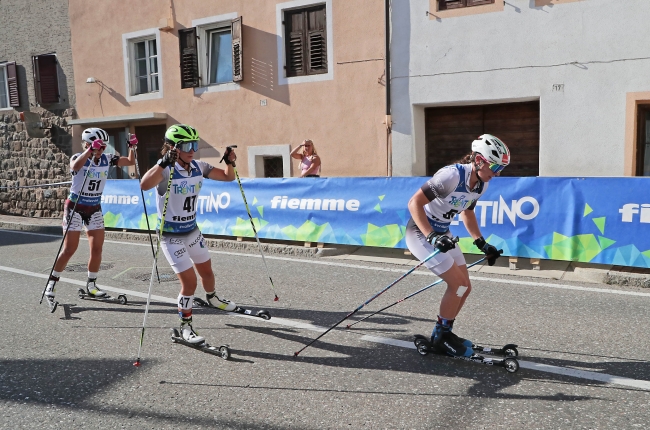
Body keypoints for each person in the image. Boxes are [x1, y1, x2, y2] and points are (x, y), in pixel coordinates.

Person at [405, 134, 510, 357]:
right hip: (420, 232)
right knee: (457, 285)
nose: (497, 173)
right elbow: (414, 203)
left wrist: (481, 243)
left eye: (501, 168)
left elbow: (468, 212)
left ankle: (443, 332)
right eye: (494, 166)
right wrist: (431, 235)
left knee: (465, 287)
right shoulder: (451, 176)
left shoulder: (481, 184)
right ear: (479, 160)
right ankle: (441, 336)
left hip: (443, 232)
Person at [139, 124, 238, 344]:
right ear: (173, 147)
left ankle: (212, 298)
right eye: (187, 145)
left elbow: (228, 177)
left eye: (195, 144)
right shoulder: (165, 169)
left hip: (192, 231)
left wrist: (230, 162)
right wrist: (163, 162)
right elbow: (144, 185)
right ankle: (185, 327)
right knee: (190, 283)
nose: (192, 149)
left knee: (208, 274)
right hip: (171, 235)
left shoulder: (198, 166)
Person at [44, 128, 137, 309]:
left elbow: (130, 161)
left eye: (103, 146)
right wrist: (89, 152)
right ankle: (52, 284)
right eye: (97, 146)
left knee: (97, 249)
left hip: (94, 207)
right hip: (75, 207)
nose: (101, 149)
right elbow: (75, 167)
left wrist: (132, 147)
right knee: (70, 249)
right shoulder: (78, 157)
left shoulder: (107, 159)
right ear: (87, 144)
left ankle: (92, 285)